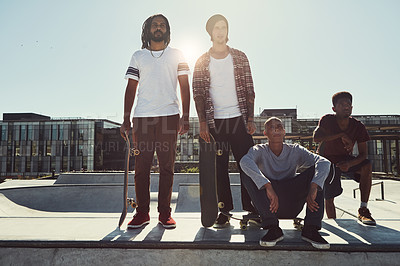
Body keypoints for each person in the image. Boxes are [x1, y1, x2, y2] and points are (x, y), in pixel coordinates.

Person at [120, 14, 190, 229]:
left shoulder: (177, 54)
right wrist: (125, 119)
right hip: (142, 117)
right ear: (147, 30)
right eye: (154, 25)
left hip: (169, 116)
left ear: (167, 30)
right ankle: (142, 213)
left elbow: (185, 86)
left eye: (162, 25)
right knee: (141, 168)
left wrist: (185, 116)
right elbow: (131, 88)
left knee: (167, 167)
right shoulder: (138, 56)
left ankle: (165, 213)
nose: (158, 28)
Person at [193, 14, 257, 228]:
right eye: (216, 28)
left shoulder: (239, 57)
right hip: (215, 123)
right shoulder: (202, 61)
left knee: (247, 165)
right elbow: (199, 93)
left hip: (238, 120)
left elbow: (249, 89)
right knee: (219, 168)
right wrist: (202, 123)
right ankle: (224, 211)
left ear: (227, 31)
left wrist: (250, 117)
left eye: (223, 27)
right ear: (210, 33)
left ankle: (253, 209)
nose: (220, 31)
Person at [240, 117, 331, 249]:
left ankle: (311, 229)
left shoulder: (295, 150)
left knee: (320, 170)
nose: (276, 129)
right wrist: (267, 185)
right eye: (271, 127)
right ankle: (273, 228)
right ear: (265, 133)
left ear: (284, 132)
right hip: (269, 205)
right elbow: (244, 162)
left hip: (291, 201)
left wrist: (314, 186)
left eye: (279, 126)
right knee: (246, 172)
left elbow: (324, 162)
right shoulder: (258, 150)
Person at [313, 91, 375, 225]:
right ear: (334, 109)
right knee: (329, 199)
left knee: (367, 165)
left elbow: (363, 154)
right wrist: (340, 134)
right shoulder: (327, 120)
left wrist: (350, 163)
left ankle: (363, 209)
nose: (346, 106)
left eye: (349, 104)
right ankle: (333, 222)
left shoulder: (358, 126)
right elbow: (316, 138)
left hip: (345, 160)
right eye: (342, 104)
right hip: (327, 161)